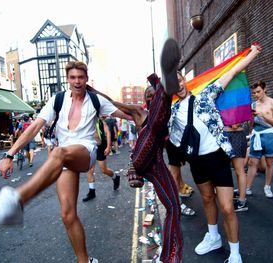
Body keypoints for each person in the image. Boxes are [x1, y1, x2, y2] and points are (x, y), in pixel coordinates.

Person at [0, 61, 130, 263]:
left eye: (81, 77)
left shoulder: (96, 100)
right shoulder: (57, 100)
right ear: (68, 79)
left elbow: (127, 114)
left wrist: (147, 118)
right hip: (64, 157)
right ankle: (85, 260)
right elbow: (34, 127)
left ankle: (14, 203)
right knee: (67, 214)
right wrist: (9, 154)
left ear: (86, 79)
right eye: (73, 77)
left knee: (57, 153)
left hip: (85, 152)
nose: (77, 81)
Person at [168, 44, 262, 263]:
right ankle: (213, 237)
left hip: (217, 158)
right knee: (208, 199)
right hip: (197, 162)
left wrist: (252, 54)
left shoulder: (205, 95)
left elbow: (231, 72)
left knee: (228, 207)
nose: (178, 84)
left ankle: (235, 253)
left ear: (184, 81)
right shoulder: (171, 111)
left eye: (179, 79)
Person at [113, 38, 183, 263]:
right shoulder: (140, 114)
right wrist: (92, 93)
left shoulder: (164, 116)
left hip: (156, 163)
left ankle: (170, 256)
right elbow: (113, 106)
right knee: (153, 127)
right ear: (145, 101)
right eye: (148, 97)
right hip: (141, 157)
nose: (150, 99)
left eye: (153, 95)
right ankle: (164, 81)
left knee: (174, 206)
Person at [246, 80, 273, 198]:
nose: (256, 94)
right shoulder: (253, 105)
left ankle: (267, 187)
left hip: (269, 135)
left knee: (270, 163)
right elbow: (251, 124)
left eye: (258, 91)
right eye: (254, 93)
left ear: (265, 89)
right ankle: (247, 188)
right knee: (252, 162)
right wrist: (250, 123)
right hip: (256, 135)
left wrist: (263, 115)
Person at [82, 117, 120, 202]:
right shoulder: (84, 120)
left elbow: (108, 132)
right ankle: (92, 192)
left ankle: (115, 177)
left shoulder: (99, 120)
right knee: (90, 170)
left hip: (100, 147)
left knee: (104, 170)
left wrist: (108, 146)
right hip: (89, 147)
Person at [226, 123, 249, 212]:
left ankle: (241, 201)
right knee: (239, 170)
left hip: (234, 136)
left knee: (239, 170)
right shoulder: (243, 108)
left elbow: (235, 125)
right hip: (238, 136)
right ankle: (241, 200)